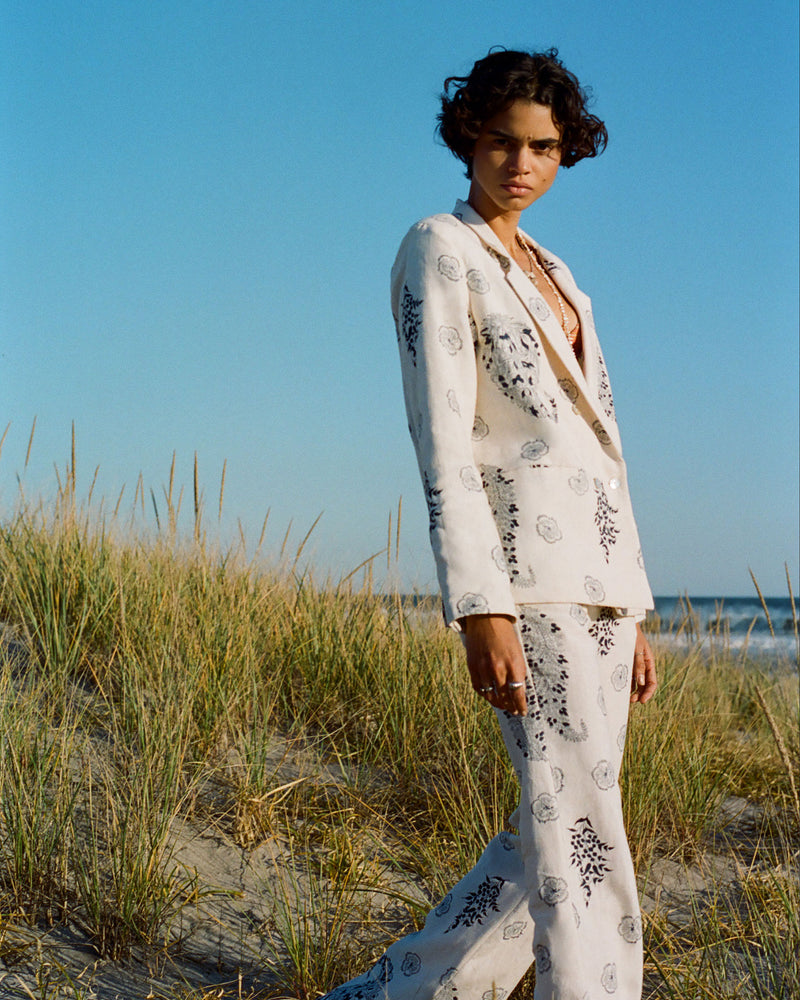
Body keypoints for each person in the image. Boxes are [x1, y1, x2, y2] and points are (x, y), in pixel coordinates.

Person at [324, 48, 657, 1000]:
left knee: (547, 828)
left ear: (566, 154)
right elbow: (444, 440)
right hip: (527, 584)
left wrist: (634, 603)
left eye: (543, 147)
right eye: (503, 141)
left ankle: (391, 994)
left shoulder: (561, 275)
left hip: (600, 589)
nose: (521, 163)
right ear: (468, 135)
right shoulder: (439, 247)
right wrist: (482, 608)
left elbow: (604, 451)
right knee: (581, 833)